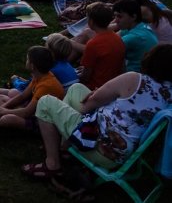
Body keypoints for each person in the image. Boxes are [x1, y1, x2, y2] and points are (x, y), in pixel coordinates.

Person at [25, 44, 172, 179]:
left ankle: (52, 164)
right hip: (119, 152)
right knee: (76, 88)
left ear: (151, 60)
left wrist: (94, 99)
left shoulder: (135, 79)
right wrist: (100, 97)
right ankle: (64, 147)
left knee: (45, 102)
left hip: (98, 145)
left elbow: (90, 104)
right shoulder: (168, 94)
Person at [77, 2, 125, 90]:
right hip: (114, 84)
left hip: (96, 87)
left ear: (91, 22)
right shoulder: (118, 39)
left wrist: (77, 78)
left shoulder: (93, 44)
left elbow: (86, 77)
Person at [113, 0, 159, 73]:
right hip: (150, 70)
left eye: (119, 16)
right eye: (115, 16)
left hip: (136, 75)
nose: (116, 20)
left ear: (133, 17)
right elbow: (113, 37)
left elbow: (108, 46)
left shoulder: (134, 37)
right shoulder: (140, 26)